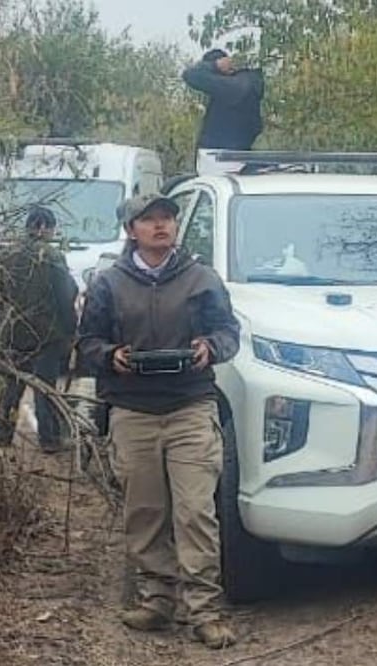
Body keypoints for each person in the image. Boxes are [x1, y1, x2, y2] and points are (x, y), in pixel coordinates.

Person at [76, 193, 241, 649]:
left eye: (167, 218)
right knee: (145, 512)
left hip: (191, 407)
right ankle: (157, 601)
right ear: (131, 230)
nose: (160, 226)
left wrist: (211, 347)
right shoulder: (108, 284)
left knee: (196, 513)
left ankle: (204, 610)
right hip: (133, 412)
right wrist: (114, 356)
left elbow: (230, 334)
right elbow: (87, 343)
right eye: (149, 220)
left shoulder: (202, 279)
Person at [0, 206, 78, 453]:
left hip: (12, 332)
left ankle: (2, 434)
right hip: (46, 334)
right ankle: (49, 439)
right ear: (45, 228)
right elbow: (66, 295)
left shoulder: (6, 254)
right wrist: (71, 329)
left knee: (12, 387)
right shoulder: (51, 256)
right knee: (45, 389)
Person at [181, 49, 264, 175]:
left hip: (220, 164)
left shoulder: (234, 87)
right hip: (236, 161)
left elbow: (190, 75)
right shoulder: (247, 85)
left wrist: (214, 66)